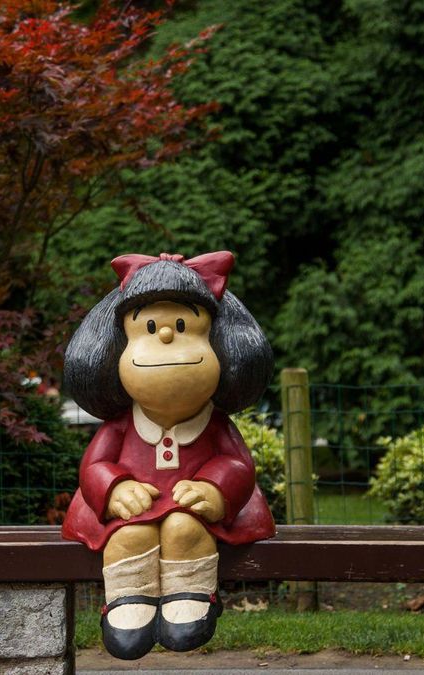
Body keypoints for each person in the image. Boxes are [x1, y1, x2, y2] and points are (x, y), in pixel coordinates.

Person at [62, 251, 275, 659]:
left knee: (184, 529)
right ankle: (129, 598)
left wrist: (216, 488)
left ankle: (191, 593)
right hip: (130, 514)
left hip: (193, 514)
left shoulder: (214, 424)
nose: (164, 337)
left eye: (182, 326)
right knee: (130, 535)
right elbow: (95, 465)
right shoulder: (121, 425)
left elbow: (237, 464)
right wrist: (113, 488)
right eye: (149, 327)